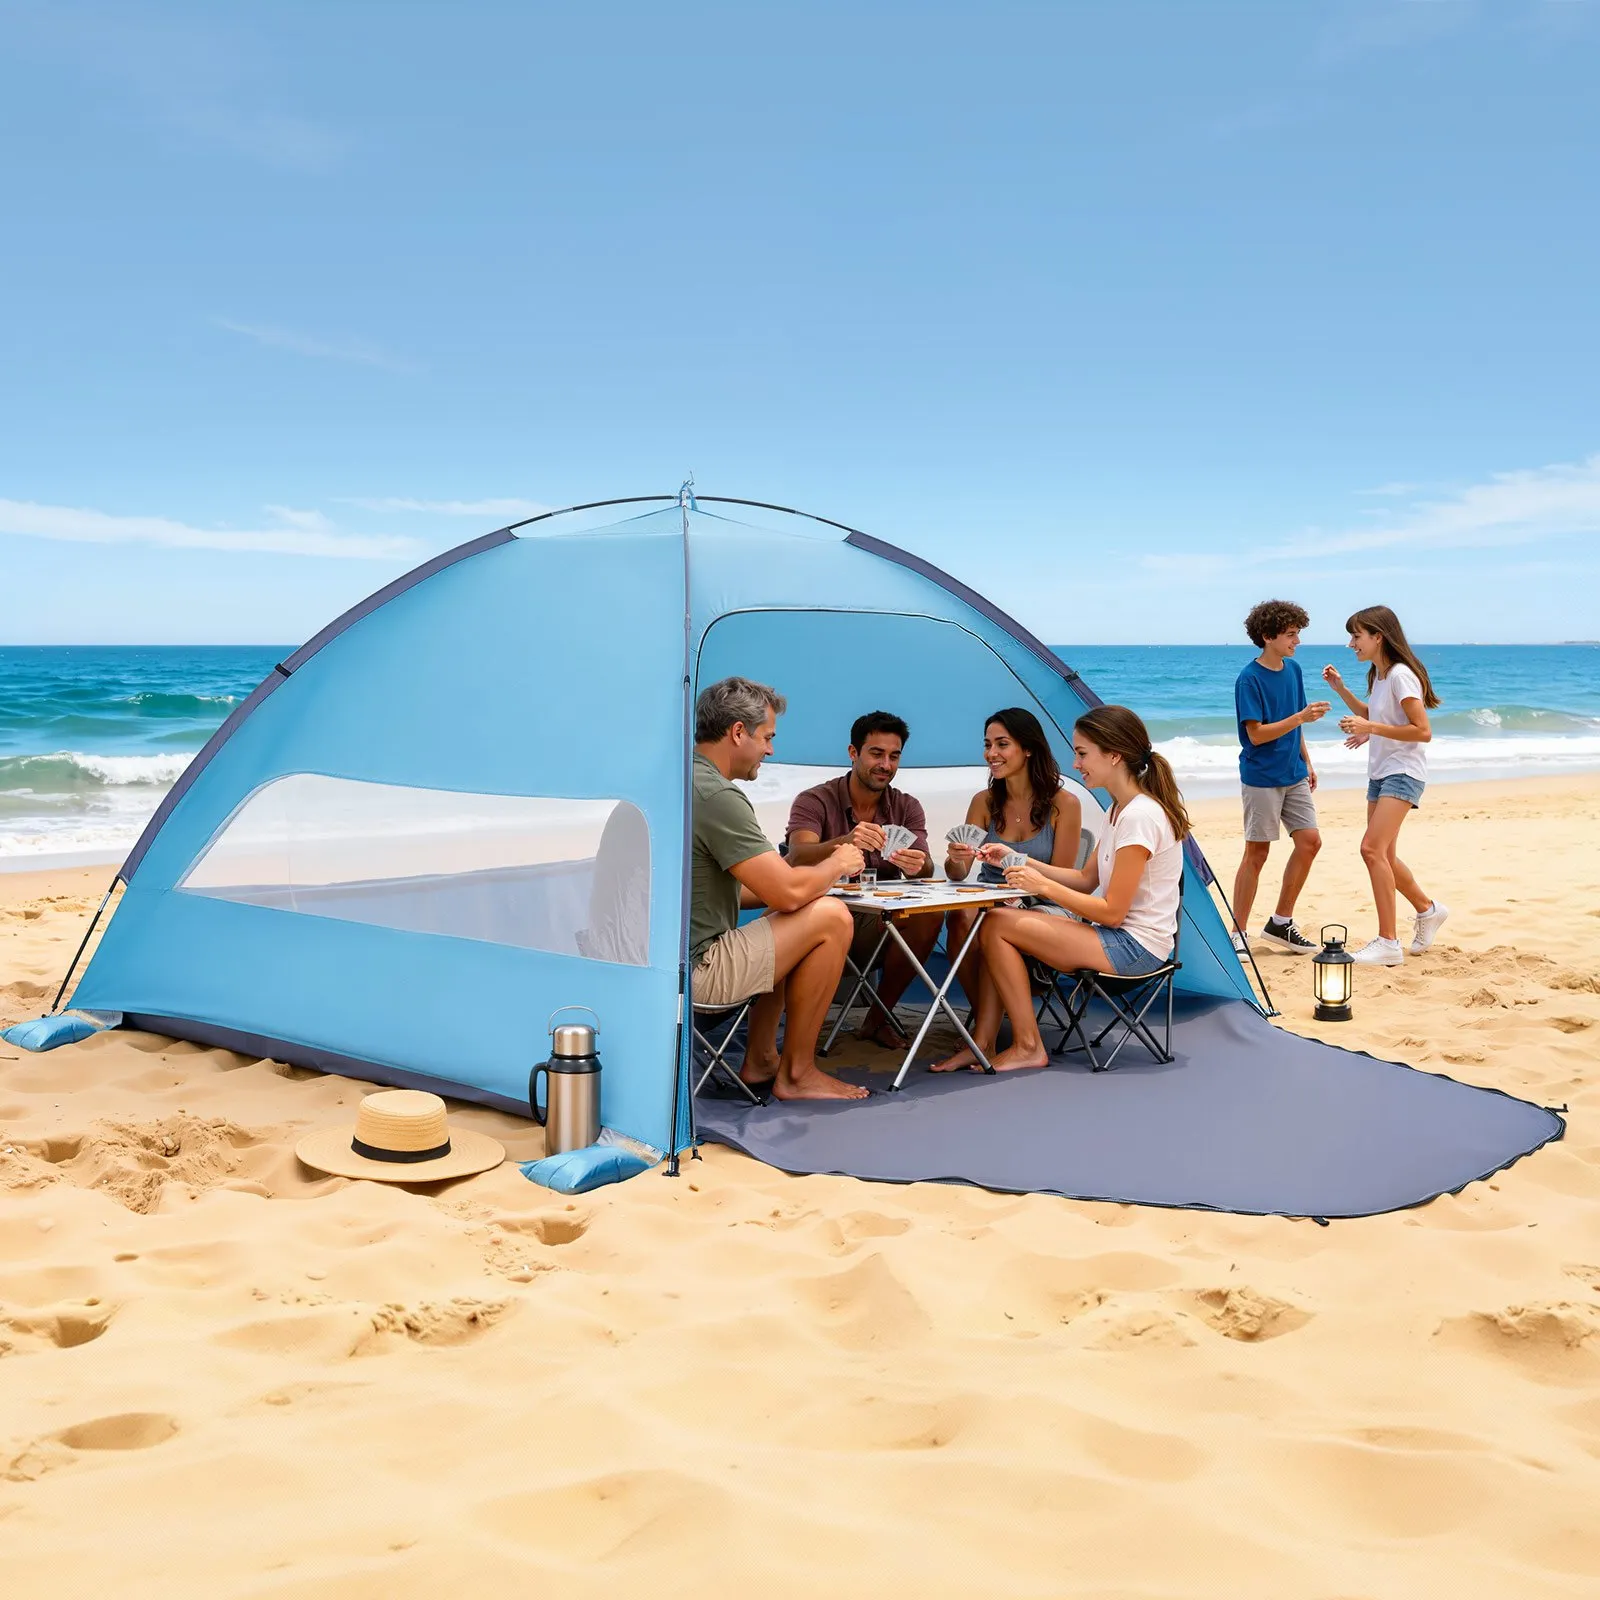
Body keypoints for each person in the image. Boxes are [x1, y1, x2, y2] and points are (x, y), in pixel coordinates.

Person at [934, 705, 1186, 1073]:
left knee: (996, 924)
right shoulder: (1119, 810)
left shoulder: (1139, 816)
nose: (1076, 763)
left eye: (1082, 753)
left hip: (1135, 949)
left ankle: (1026, 1046)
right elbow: (1085, 879)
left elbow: (1113, 912)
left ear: (1114, 755)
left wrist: (1041, 886)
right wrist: (1017, 859)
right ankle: (985, 1042)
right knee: (995, 921)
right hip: (1119, 938)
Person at [690, 676, 868, 1101]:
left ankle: (762, 1057)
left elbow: (750, 893)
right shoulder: (716, 796)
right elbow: (787, 891)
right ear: (738, 732)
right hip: (693, 975)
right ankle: (798, 1074)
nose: (770, 750)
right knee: (831, 917)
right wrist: (838, 862)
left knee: (787, 913)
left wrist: (801, 887)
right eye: (767, 737)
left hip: (645, 971)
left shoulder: (676, 779)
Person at [785, 711, 941, 1048]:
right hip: (821, 918)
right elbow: (797, 856)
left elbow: (926, 868)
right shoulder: (815, 800)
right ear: (853, 752)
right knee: (829, 914)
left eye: (894, 756)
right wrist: (844, 841)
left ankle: (877, 1019)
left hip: (879, 924)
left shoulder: (907, 806)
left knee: (930, 914)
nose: (886, 764)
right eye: (876, 753)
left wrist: (918, 865)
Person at [1323, 607, 1449, 967]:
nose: (1351, 644)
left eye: (1356, 636)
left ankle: (1388, 942)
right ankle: (1428, 910)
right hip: (1380, 773)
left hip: (1403, 772)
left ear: (1378, 636)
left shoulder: (1401, 675)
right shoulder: (1380, 676)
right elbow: (1374, 715)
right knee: (1385, 857)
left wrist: (1371, 729)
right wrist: (1341, 690)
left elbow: (1422, 730)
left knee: (1371, 850)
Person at [942, 708, 1082, 1001]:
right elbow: (958, 873)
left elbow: (1061, 882)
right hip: (990, 899)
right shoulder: (983, 802)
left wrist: (1018, 872)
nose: (991, 753)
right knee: (959, 917)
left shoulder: (1065, 804)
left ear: (1028, 749)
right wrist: (956, 858)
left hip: (1042, 902)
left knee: (999, 920)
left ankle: (992, 1016)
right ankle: (981, 1012)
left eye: (1002, 744)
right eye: (987, 744)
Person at [1231, 599, 1330, 957]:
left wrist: (1307, 761)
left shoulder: (1294, 670)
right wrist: (1300, 718)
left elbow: (1295, 722)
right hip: (1261, 776)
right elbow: (1256, 735)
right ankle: (1238, 933)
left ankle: (1280, 922)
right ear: (1267, 636)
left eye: (1297, 633)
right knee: (1257, 853)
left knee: (1310, 842)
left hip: (1294, 772)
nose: (1297, 641)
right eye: (1290, 634)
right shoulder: (1249, 679)